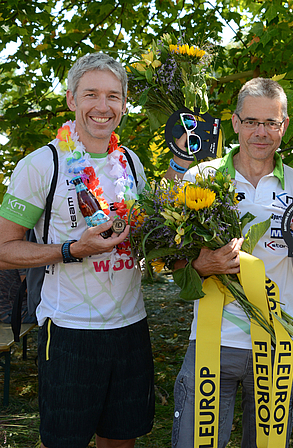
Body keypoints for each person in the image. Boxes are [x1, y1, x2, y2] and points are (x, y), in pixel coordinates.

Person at [167, 77, 293, 448]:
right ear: (236, 123)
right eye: (252, 122)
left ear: (284, 127)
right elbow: (176, 266)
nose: (261, 132)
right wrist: (204, 264)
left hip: (276, 344)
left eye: (271, 123)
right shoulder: (200, 179)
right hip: (212, 342)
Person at [0, 53, 152, 448]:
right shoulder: (41, 164)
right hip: (69, 330)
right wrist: (70, 249)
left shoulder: (131, 163)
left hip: (131, 326)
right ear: (71, 100)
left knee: (121, 438)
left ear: (124, 103)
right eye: (91, 95)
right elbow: (3, 250)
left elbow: (146, 233)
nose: (103, 107)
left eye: (113, 96)